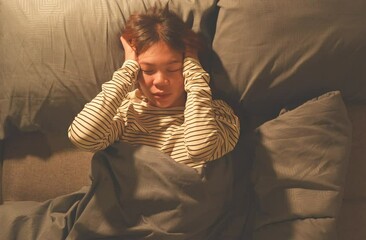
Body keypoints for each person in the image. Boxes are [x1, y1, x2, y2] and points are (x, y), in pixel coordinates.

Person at [68, 7, 240, 170]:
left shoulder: (217, 114)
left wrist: (195, 75)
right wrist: (127, 70)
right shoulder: (127, 113)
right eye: (147, 70)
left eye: (173, 69)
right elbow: (83, 137)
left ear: (188, 66)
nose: (160, 81)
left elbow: (200, 148)